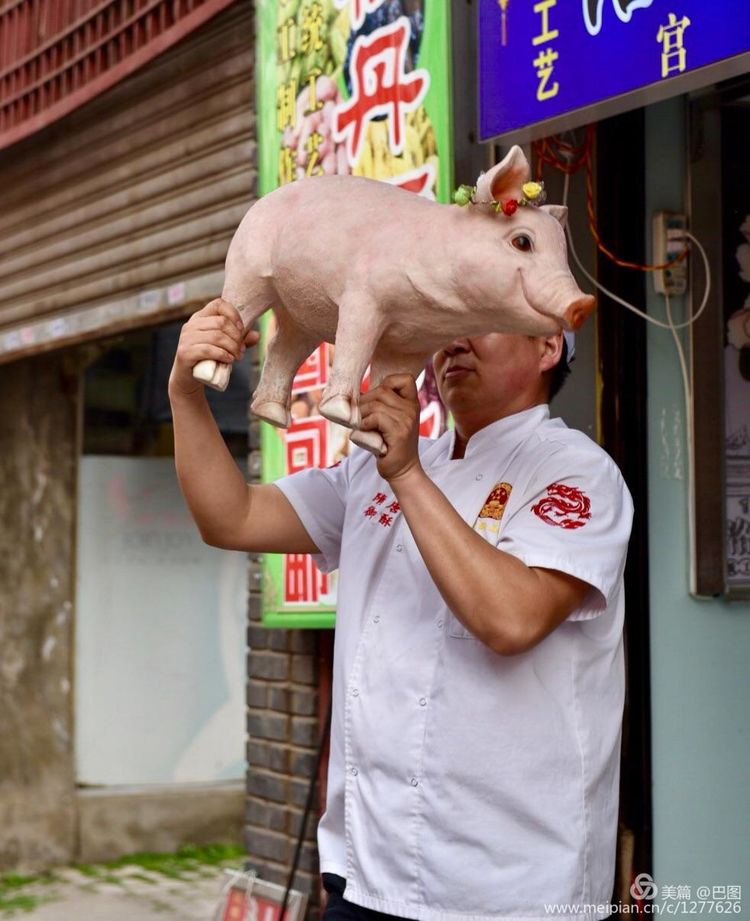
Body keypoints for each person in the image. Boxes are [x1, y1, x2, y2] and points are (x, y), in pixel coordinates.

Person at [169, 300, 633, 921]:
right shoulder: (376, 465)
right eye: (444, 327)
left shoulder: (576, 470)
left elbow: (511, 620)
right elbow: (233, 517)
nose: (454, 342)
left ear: (548, 346)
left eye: (481, 319)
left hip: (516, 885)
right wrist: (184, 392)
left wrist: (408, 473)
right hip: (368, 871)